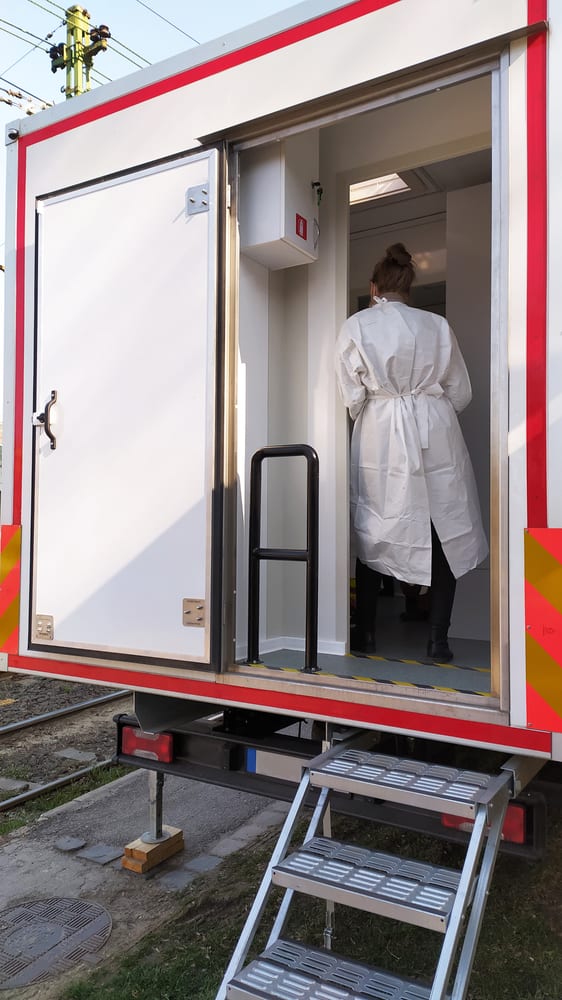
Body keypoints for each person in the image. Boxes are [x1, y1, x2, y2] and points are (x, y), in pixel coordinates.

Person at [335, 242, 488, 661]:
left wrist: (382, 406)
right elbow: (461, 391)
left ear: (374, 287)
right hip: (435, 429)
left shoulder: (356, 326)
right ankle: (438, 641)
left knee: (375, 527)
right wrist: (427, 409)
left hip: (380, 430)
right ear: (409, 287)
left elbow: (351, 396)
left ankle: (364, 634)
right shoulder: (436, 325)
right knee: (444, 528)